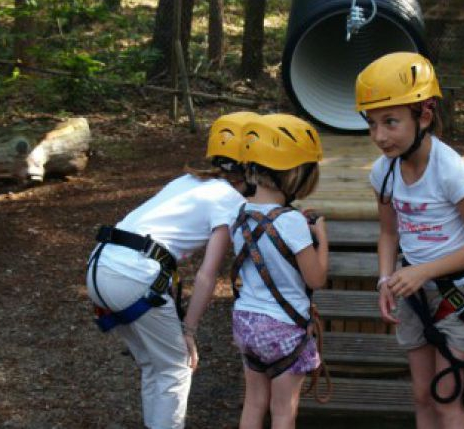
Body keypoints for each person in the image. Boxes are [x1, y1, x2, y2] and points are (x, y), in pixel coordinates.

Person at [85, 111, 258, 429]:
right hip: (132, 275)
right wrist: (189, 331)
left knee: (156, 364)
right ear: (252, 167)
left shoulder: (189, 180)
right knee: (176, 367)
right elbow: (208, 275)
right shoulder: (230, 199)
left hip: (101, 265)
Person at [354, 52, 464, 428]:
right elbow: (388, 232)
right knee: (421, 395)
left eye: (390, 122)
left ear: (424, 115)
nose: (379, 136)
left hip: (456, 294)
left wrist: (423, 272)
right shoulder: (383, 172)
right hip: (412, 291)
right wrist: (386, 278)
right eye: (372, 124)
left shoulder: (449, 170)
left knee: (447, 398)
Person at [229, 113, 329, 429]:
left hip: (246, 323)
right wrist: (322, 238)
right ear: (296, 173)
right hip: (284, 330)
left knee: (254, 403)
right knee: (283, 411)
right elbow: (316, 279)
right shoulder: (293, 222)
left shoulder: (239, 215)